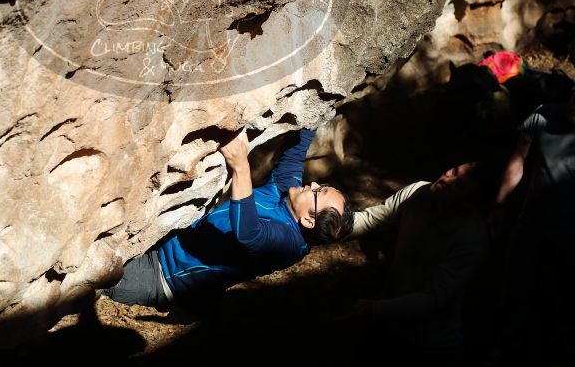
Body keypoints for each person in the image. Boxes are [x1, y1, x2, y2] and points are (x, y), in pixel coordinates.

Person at [104, 127, 355, 310]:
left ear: (309, 222)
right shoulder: (286, 193)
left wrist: (241, 166)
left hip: (159, 278)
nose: (311, 184)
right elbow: (295, 153)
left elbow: (249, 233)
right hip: (163, 239)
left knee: (85, 279)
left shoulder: (288, 245)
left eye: (317, 192)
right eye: (320, 185)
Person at [340, 161, 501, 366]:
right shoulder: (418, 191)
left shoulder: (471, 241)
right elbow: (371, 218)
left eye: (459, 185)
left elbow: (432, 298)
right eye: (453, 171)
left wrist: (375, 310)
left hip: (430, 342)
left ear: (471, 202)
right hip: (390, 318)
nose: (447, 179)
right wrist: (327, 226)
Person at [492, 93, 575, 365]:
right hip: (533, 225)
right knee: (516, 292)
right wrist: (500, 205)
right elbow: (517, 163)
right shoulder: (543, 115)